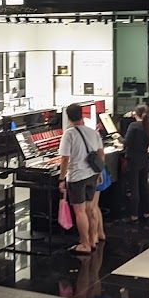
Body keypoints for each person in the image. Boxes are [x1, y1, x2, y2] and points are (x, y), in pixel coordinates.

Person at [57, 102, 106, 255]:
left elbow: (65, 159)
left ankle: (84, 243)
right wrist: (99, 173)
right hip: (92, 174)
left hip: (77, 176)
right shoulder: (93, 132)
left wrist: (61, 178)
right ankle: (92, 240)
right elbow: (101, 154)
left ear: (68, 117)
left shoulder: (69, 134)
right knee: (91, 209)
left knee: (80, 211)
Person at [124, 104, 149, 222]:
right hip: (144, 159)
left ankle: (134, 215)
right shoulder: (148, 126)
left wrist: (117, 138)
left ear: (135, 114)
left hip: (133, 159)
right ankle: (146, 212)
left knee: (134, 187)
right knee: (144, 186)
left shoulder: (133, 126)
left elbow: (126, 142)